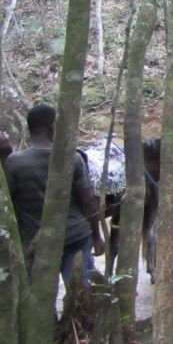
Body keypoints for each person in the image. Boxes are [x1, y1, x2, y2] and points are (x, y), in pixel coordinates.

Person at [4, 104, 104, 286]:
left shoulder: (14, 163)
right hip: (75, 237)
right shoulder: (72, 158)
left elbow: (9, 203)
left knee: (40, 300)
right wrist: (97, 236)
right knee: (82, 294)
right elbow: (87, 201)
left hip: (36, 242)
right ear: (52, 127)